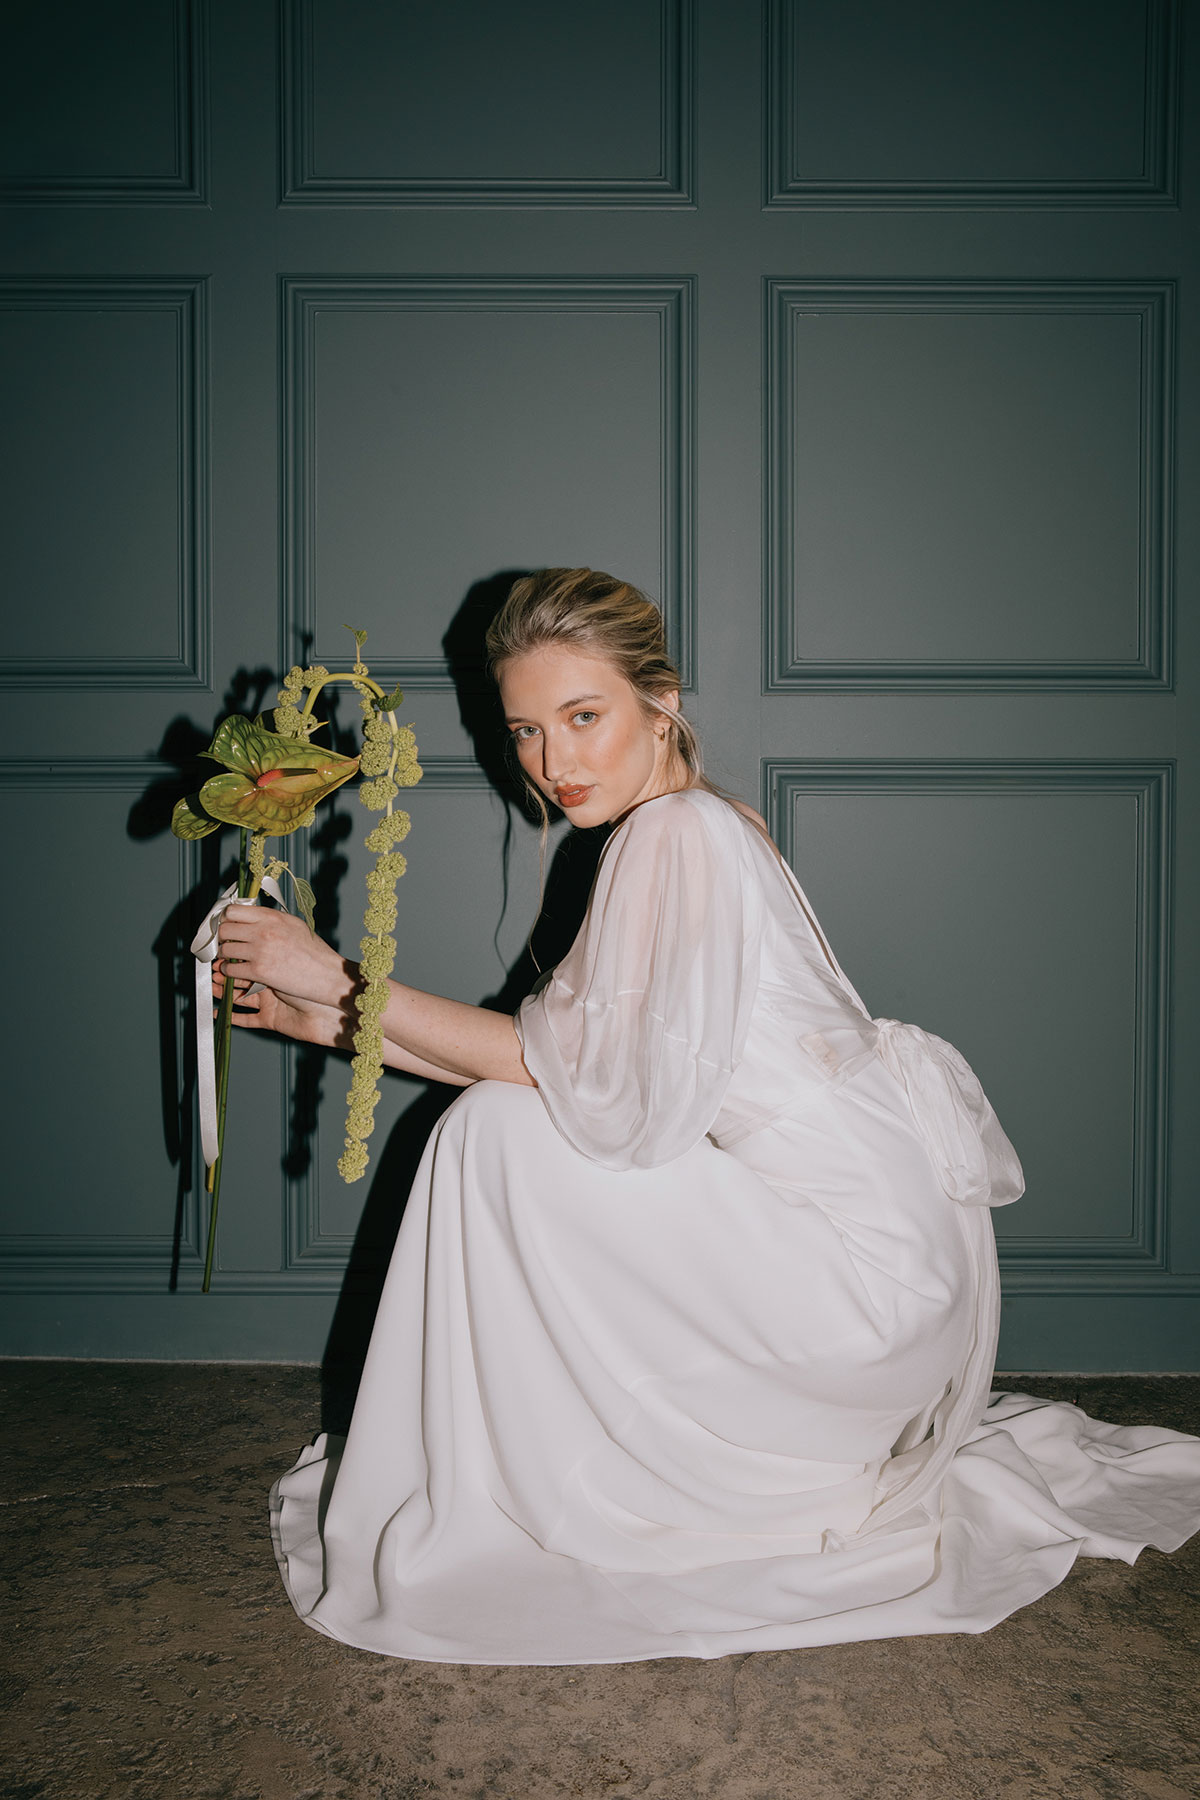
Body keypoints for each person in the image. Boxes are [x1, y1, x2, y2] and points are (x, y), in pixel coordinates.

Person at [214, 568, 1200, 1665]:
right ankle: (565, 1465)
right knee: (501, 1125)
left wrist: (344, 978)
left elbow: (580, 1089)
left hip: (856, 1288)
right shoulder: (698, 825)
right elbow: (577, 1072)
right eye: (527, 730)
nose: (553, 763)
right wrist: (333, 1020)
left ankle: (536, 1486)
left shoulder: (677, 834)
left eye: (584, 718)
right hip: (890, 1281)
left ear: (663, 702)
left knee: (495, 1137)